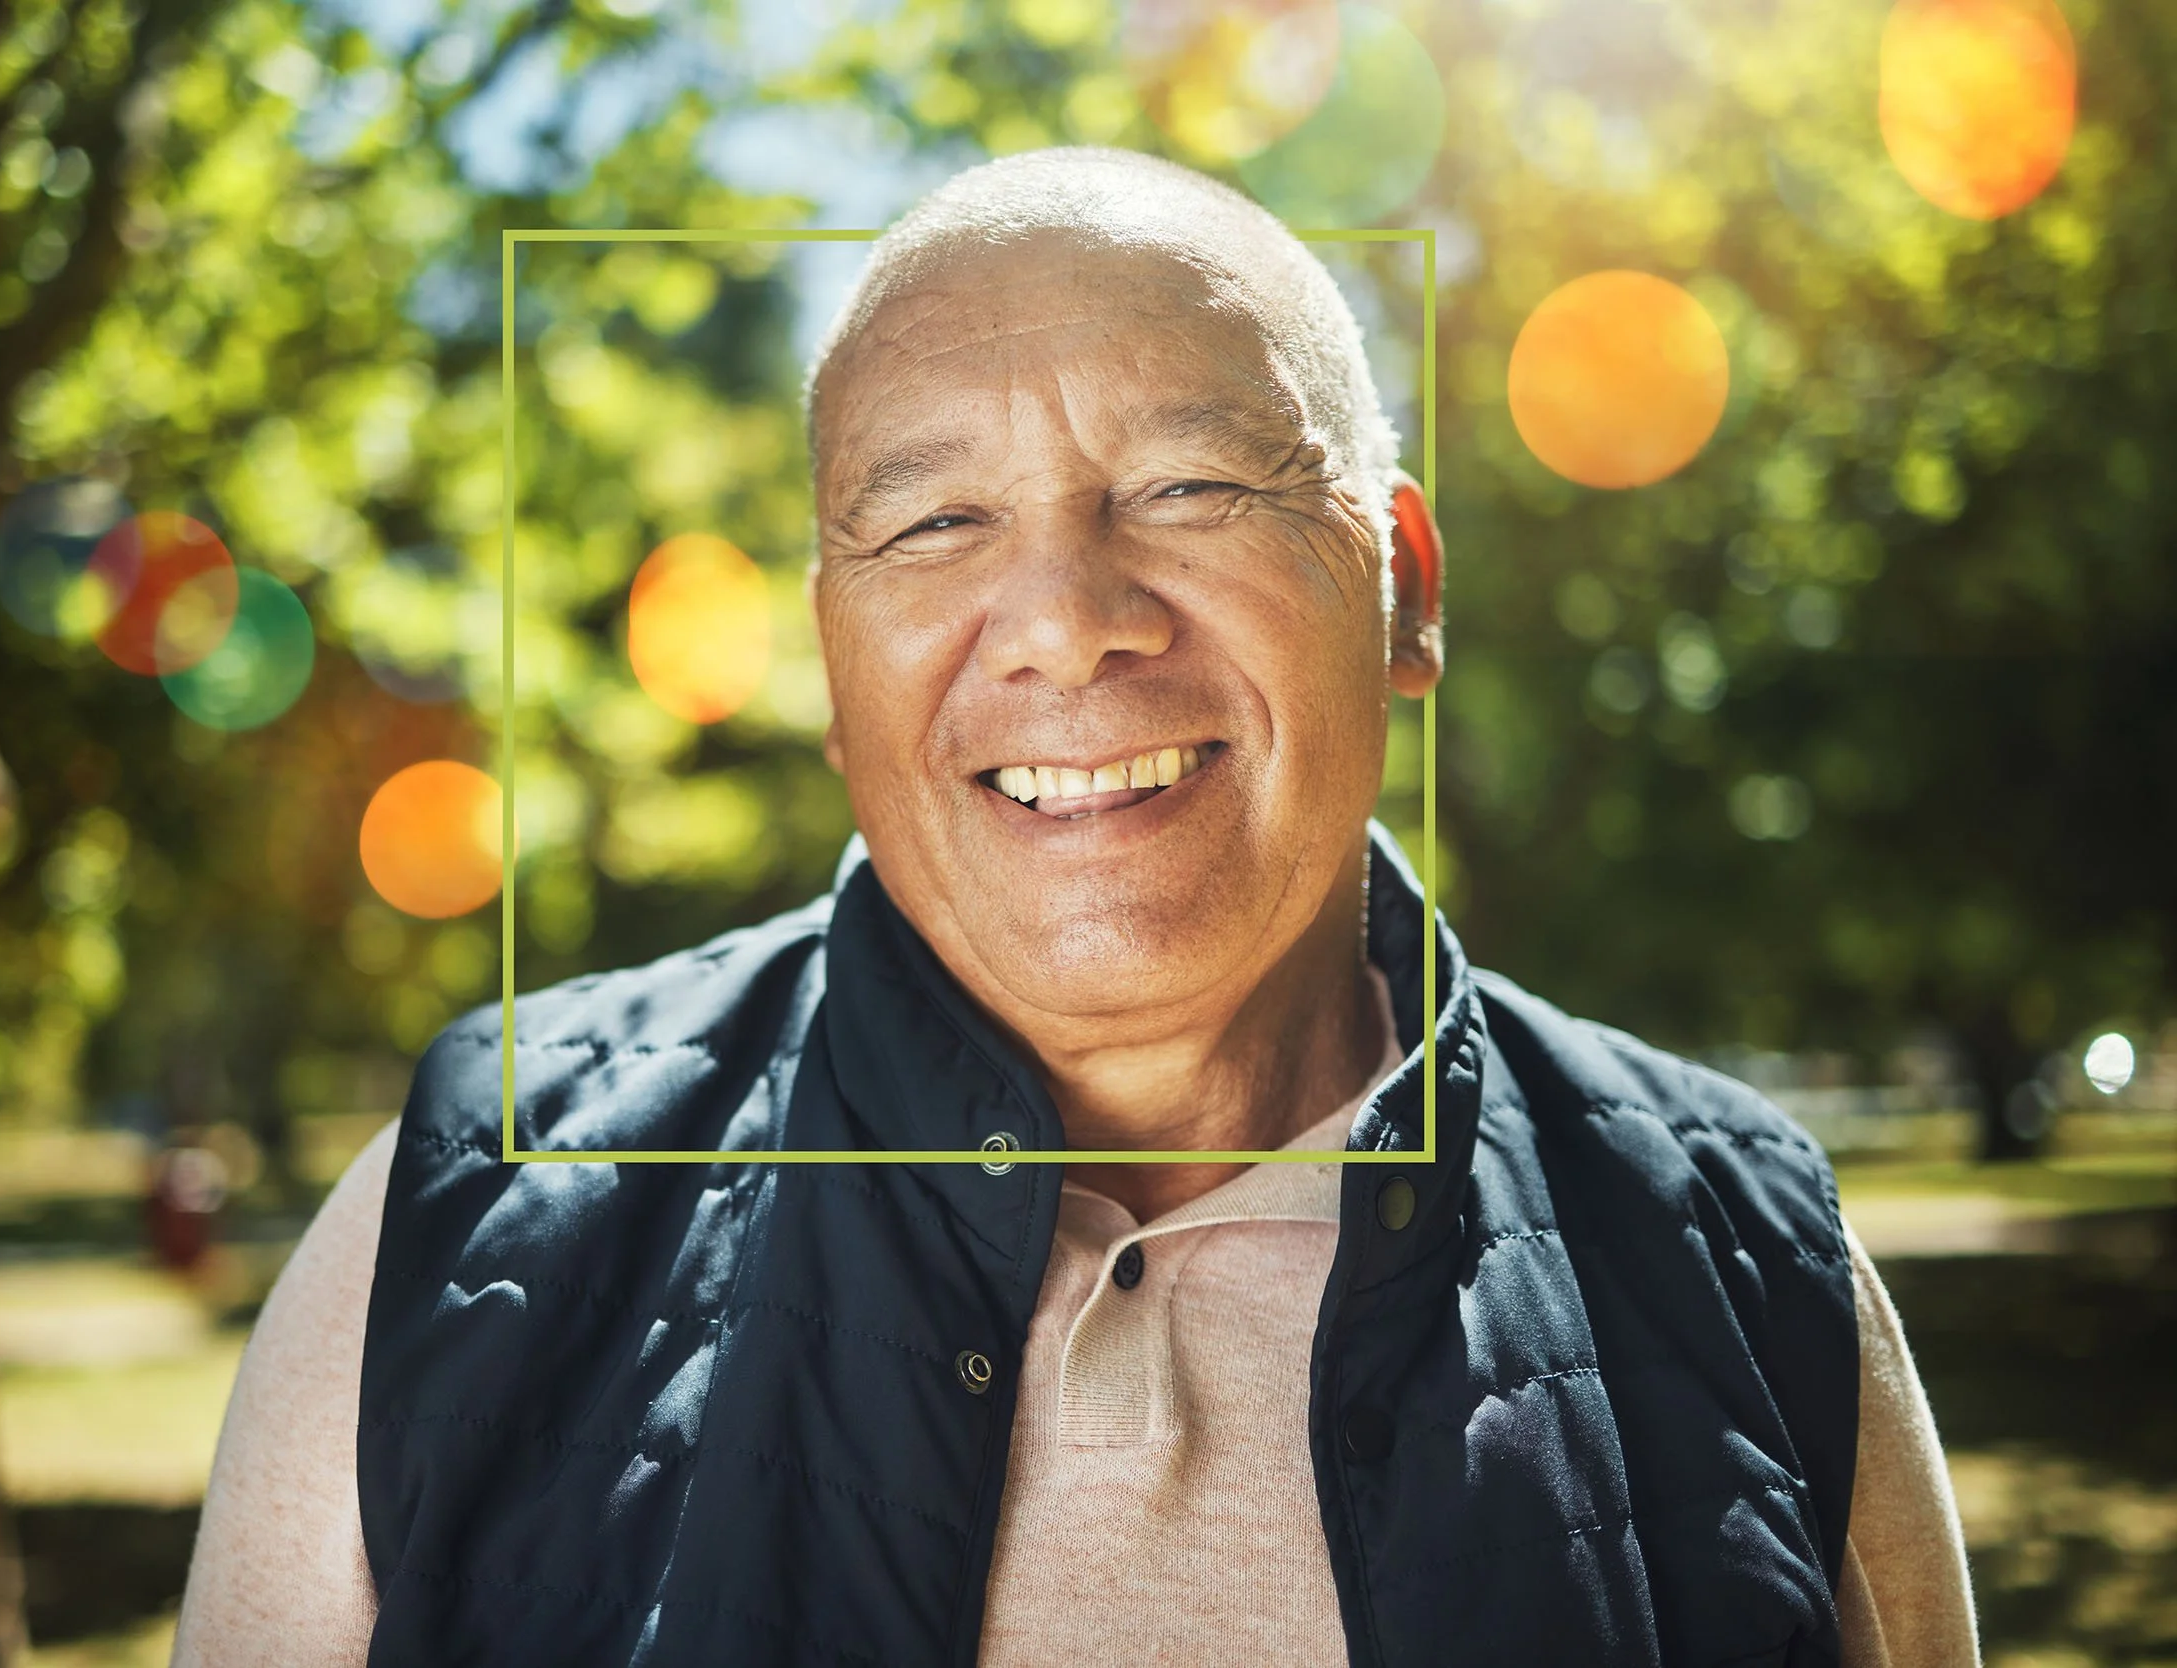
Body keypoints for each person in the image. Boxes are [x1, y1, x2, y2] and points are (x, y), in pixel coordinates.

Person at [170, 147, 1979, 1666]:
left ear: (1404, 590)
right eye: (935, 525)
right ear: (831, 657)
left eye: (1192, 486)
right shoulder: (470, 1211)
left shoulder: (1747, 1255)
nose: (1064, 618)